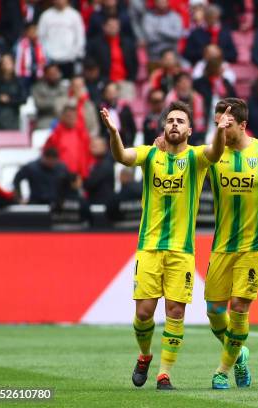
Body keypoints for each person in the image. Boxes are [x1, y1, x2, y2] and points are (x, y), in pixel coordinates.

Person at [100, 100, 229, 390]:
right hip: (149, 247)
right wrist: (113, 132)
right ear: (163, 126)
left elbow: (216, 151)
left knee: (175, 312)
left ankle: (164, 373)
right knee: (144, 312)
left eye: (180, 121)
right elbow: (122, 156)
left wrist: (220, 131)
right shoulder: (149, 155)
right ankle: (145, 355)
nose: (174, 124)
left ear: (190, 130)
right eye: (170, 120)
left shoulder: (196, 158)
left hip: (182, 251)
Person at [198, 98, 258, 390]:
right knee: (213, 310)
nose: (220, 128)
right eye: (217, 123)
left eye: (227, 124)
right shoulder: (212, 153)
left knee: (239, 306)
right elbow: (181, 156)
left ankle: (222, 370)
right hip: (222, 244)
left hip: (256, 244)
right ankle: (239, 354)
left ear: (243, 125)